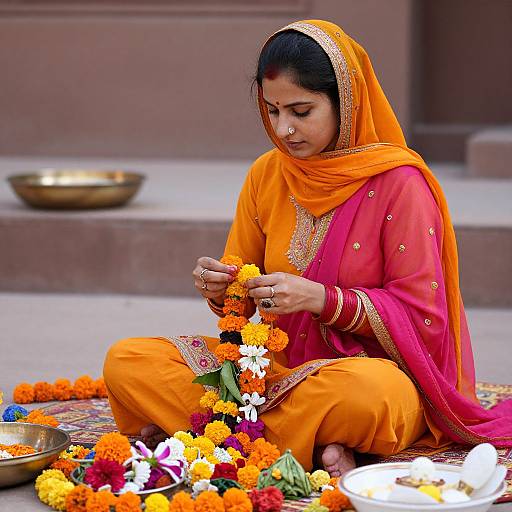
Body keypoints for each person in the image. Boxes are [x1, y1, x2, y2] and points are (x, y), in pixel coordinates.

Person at [103, 19, 512, 477]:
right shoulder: (267, 173)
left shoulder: (401, 186)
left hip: (362, 372)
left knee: (374, 396)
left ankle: (213, 433)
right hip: (272, 371)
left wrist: (323, 300)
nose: (284, 129)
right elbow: (241, 296)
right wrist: (220, 287)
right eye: (273, 111)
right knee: (128, 360)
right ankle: (312, 445)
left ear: (347, 103)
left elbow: (426, 320)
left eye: (301, 111)